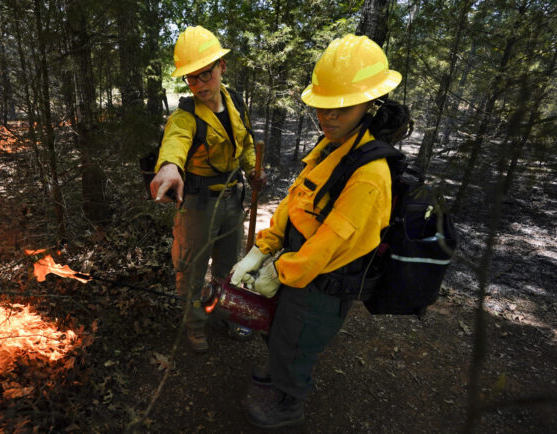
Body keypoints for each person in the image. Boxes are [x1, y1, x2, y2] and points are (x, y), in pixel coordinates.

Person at [229, 34, 412, 428]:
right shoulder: (334, 145)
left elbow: (332, 244)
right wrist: (264, 248)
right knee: (281, 329)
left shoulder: (369, 175)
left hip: (323, 284)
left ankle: (288, 401)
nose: (327, 117)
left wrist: (279, 271)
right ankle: (280, 373)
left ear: (370, 105)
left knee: (298, 342)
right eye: (323, 107)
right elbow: (297, 199)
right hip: (299, 267)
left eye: (341, 108)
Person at [150, 26, 266, 353]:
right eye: (191, 77)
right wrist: (170, 167)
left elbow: (242, 143)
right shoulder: (185, 116)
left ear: (221, 67)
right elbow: (175, 142)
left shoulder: (235, 101)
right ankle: (195, 323)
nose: (200, 84)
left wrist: (253, 170)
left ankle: (228, 312)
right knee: (191, 269)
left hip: (232, 200)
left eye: (206, 74)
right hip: (198, 207)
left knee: (231, 265)